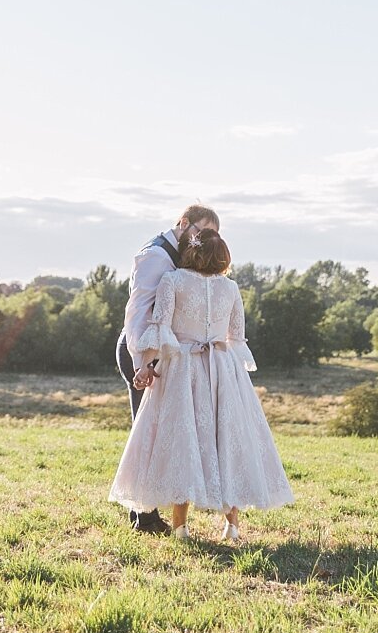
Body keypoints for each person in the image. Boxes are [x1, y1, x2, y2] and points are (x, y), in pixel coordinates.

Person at [109, 228, 294, 540]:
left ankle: (180, 528)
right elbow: (236, 338)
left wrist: (146, 366)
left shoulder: (173, 281)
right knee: (225, 441)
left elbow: (161, 328)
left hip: (182, 368)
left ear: (190, 252)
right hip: (222, 370)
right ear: (223, 257)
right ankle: (232, 527)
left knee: (184, 440)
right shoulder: (232, 288)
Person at [115, 205, 219, 533]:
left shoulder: (179, 256)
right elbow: (137, 314)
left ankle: (148, 514)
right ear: (184, 223)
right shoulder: (156, 257)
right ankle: (143, 518)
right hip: (142, 352)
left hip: (164, 355)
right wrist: (141, 364)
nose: (203, 239)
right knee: (147, 432)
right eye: (201, 231)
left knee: (159, 431)